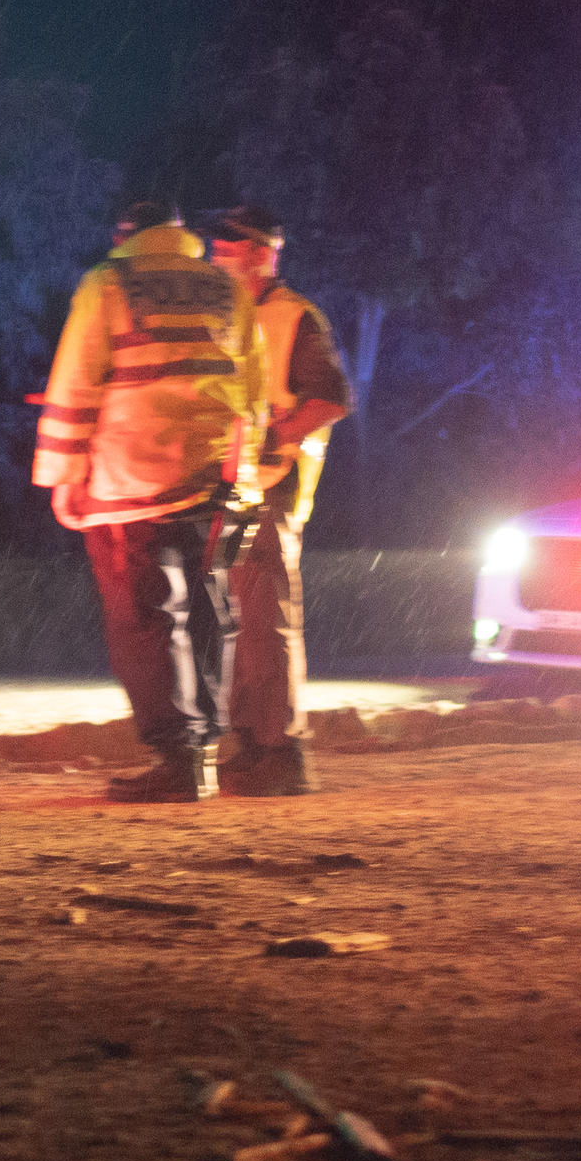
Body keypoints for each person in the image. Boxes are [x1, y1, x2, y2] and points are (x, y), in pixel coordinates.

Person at [33, 194, 260, 802]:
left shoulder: (110, 282)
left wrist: (63, 471)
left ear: (125, 235)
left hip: (126, 479)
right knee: (209, 609)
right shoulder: (223, 285)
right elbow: (252, 388)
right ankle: (206, 749)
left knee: (143, 619)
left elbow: (78, 379)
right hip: (210, 473)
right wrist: (246, 473)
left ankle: (175, 756)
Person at [202, 205, 355, 794]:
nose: (219, 257)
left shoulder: (294, 317)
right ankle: (252, 745)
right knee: (241, 621)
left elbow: (331, 400)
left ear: (265, 254)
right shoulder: (228, 316)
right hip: (233, 487)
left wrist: (270, 439)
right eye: (215, 250)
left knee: (265, 620)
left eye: (231, 250)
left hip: (271, 487)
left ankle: (280, 752)